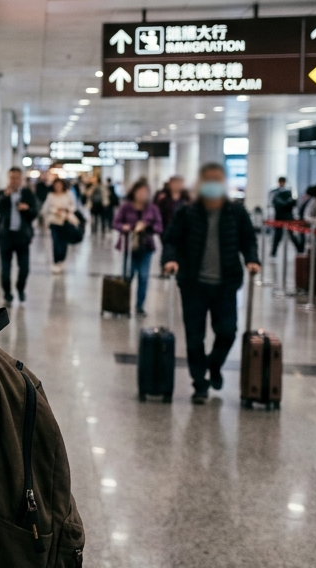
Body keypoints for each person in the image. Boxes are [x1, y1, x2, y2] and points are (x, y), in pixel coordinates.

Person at [161, 163, 261, 404]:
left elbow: (248, 240)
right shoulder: (187, 212)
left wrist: (252, 260)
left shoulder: (236, 212)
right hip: (192, 284)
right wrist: (171, 259)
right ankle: (199, 383)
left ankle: (214, 365)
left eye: (217, 180)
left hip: (226, 284)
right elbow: (171, 240)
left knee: (227, 332)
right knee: (194, 337)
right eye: (209, 180)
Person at [113, 181, 163, 316]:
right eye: (140, 192)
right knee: (127, 275)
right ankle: (123, 304)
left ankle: (140, 305)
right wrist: (125, 227)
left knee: (143, 276)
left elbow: (159, 226)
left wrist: (147, 226)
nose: (142, 195)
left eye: (145, 192)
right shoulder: (126, 207)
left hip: (146, 247)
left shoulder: (152, 208)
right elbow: (116, 222)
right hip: (129, 245)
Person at [0, 166, 39, 305]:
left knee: (24, 267)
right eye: (12, 178)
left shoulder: (27, 194)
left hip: (22, 236)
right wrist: (5, 196)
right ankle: (7, 293)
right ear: (8, 178)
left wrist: (27, 209)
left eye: (17, 178)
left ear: (21, 179)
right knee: (5, 268)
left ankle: (20, 288)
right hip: (6, 236)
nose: (14, 180)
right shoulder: (2, 193)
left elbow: (35, 212)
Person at [43, 177, 80, 273]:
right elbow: (46, 208)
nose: (58, 187)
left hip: (65, 221)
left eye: (59, 185)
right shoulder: (51, 195)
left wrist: (66, 210)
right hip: (54, 222)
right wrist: (55, 210)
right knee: (56, 242)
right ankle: (56, 261)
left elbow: (74, 205)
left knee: (63, 242)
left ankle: (62, 260)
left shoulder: (68, 194)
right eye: (56, 185)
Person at [270, 176, 298, 255]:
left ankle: (299, 250)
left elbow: (292, 203)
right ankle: (273, 252)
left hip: (287, 215)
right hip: (279, 216)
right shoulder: (275, 192)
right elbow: (274, 203)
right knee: (277, 236)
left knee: (291, 235)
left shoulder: (289, 191)